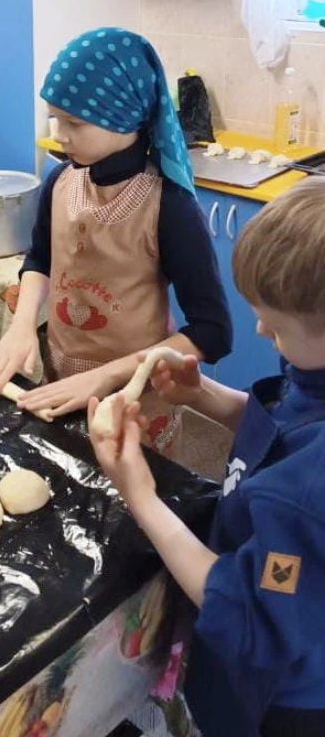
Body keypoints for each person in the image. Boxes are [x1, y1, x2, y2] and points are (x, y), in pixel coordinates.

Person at [88, 176, 325, 736]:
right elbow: (285, 424)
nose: (260, 329)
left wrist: (140, 495)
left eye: (276, 325)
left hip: (281, 693)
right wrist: (204, 396)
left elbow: (245, 610)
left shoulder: (307, 492)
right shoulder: (314, 374)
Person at [0, 27, 232, 456]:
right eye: (55, 117)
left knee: (130, 491)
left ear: (123, 116)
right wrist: (21, 327)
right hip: (61, 379)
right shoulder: (60, 181)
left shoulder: (168, 205)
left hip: (135, 400)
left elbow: (212, 331)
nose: (59, 134)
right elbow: (40, 259)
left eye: (75, 122)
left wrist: (105, 376)